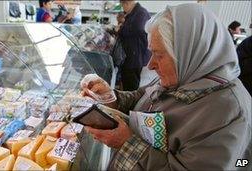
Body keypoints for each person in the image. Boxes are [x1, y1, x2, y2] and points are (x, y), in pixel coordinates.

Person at [81, 3, 251, 170]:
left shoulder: (229, 113)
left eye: (159, 55)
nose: (150, 65)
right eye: (151, 52)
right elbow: (143, 97)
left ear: (189, 51)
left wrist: (127, 143)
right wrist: (111, 97)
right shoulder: (185, 74)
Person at [118, 0, 150, 91]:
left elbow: (138, 29)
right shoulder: (134, 13)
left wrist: (120, 30)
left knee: (131, 85)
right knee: (128, 82)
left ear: (126, 3)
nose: (123, 8)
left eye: (122, 5)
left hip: (135, 57)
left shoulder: (140, 13)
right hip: (131, 56)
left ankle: (131, 105)